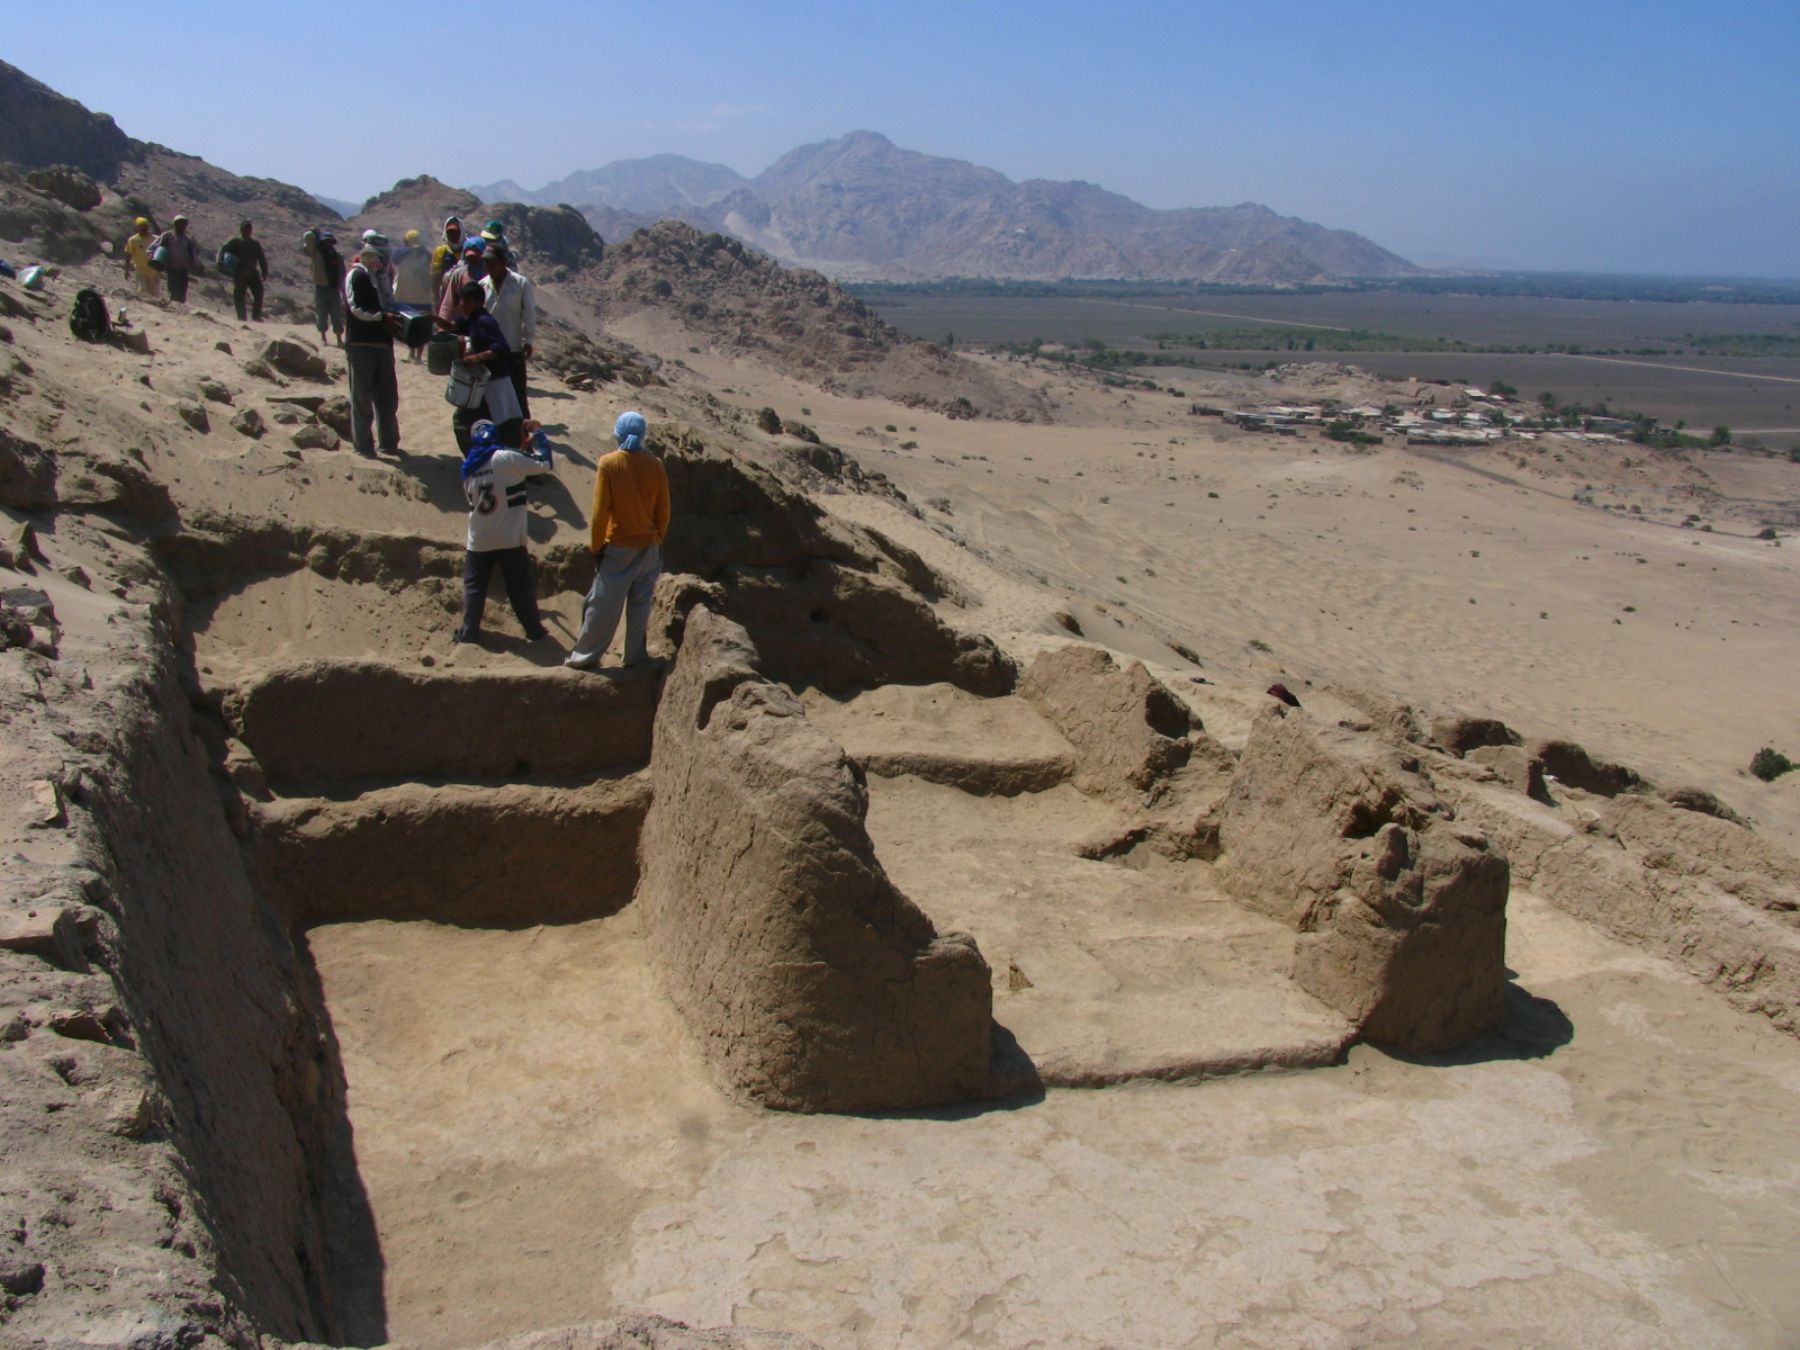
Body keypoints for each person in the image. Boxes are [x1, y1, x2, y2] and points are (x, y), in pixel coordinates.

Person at [565, 410, 669, 671]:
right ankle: (634, 656)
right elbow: (664, 510)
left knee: (603, 604)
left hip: (620, 546)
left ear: (618, 433)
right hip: (649, 548)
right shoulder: (655, 464)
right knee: (640, 602)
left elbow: (600, 512)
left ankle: (585, 657)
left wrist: (597, 546)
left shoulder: (609, 463)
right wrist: (656, 536)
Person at [455, 418, 554, 645]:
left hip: (479, 538)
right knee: (519, 588)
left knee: (474, 588)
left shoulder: (468, 468)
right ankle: (534, 631)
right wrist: (537, 434)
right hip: (510, 538)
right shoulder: (506, 457)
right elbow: (544, 462)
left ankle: (469, 633)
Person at [441, 279, 522, 449]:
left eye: (467, 301)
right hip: (482, 385)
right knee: (496, 425)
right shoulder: (472, 319)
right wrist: (433, 318)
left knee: (463, 421)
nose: (463, 305)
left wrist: (476, 358)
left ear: (478, 302)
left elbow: (501, 348)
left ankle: (477, 462)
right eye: (462, 300)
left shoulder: (485, 321)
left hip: (495, 383)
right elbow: (453, 326)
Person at [344, 241, 400, 458]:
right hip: (361, 343)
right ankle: (363, 446)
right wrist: (380, 318)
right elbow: (355, 308)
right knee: (361, 397)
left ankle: (389, 443)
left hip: (383, 345)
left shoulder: (383, 280)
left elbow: (389, 304)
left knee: (387, 397)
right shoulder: (357, 277)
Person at [480, 243, 537, 421]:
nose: (488, 267)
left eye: (492, 262)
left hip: (512, 350)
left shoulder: (520, 284)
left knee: (518, 397)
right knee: (490, 397)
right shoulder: (482, 286)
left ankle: (524, 438)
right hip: (489, 352)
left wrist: (529, 340)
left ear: (503, 262)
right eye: (486, 263)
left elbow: (529, 313)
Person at [392, 228, 434, 362]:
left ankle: (417, 356)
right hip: (415, 297)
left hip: (414, 297)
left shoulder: (424, 255)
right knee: (415, 327)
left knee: (416, 327)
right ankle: (413, 355)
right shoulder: (405, 254)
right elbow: (394, 258)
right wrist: (412, 249)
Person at [302, 227, 347, 344]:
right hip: (321, 288)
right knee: (321, 315)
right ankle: (323, 337)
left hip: (334, 290)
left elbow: (342, 274)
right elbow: (308, 237)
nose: (328, 244)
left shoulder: (337, 257)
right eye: (326, 241)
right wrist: (314, 232)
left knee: (336, 316)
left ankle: (339, 339)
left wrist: (343, 290)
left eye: (330, 242)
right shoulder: (316, 254)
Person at [224, 220, 269, 322]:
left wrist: (264, 271)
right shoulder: (235, 241)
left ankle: (256, 316)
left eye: (249, 228)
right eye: (245, 228)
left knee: (259, 293)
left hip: (252, 272)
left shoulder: (255, 244)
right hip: (239, 272)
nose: (247, 230)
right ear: (241, 229)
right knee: (239, 295)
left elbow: (261, 258)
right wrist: (222, 263)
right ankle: (241, 317)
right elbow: (224, 249)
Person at [158, 215, 203, 303]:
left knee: (182, 290)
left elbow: (193, 253)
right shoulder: (167, 236)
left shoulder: (188, 239)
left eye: (183, 224)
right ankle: (173, 306)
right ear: (175, 224)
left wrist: (195, 265)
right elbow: (159, 249)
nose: (182, 226)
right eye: (179, 224)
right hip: (171, 268)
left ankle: (180, 307)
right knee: (173, 289)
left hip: (183, 269)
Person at [123, 217, 161, 297]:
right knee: (142, 291)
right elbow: (128, 255)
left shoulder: (157, 239)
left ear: (148, 226)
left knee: (154, 294)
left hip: (154, 272)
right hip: (140, 270)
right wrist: (126, 270)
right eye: (141, 226)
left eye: (145, 226)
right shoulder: (133, 240)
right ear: (137, 227)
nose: (143, 228)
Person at [430, 216, 464, 297]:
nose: (453, 235)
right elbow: (435, 276)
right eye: (450, 232)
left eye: (456, 232)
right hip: (446, 294)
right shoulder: (440, 251)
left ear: (461, 232)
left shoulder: (468, 249)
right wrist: (435, 298)